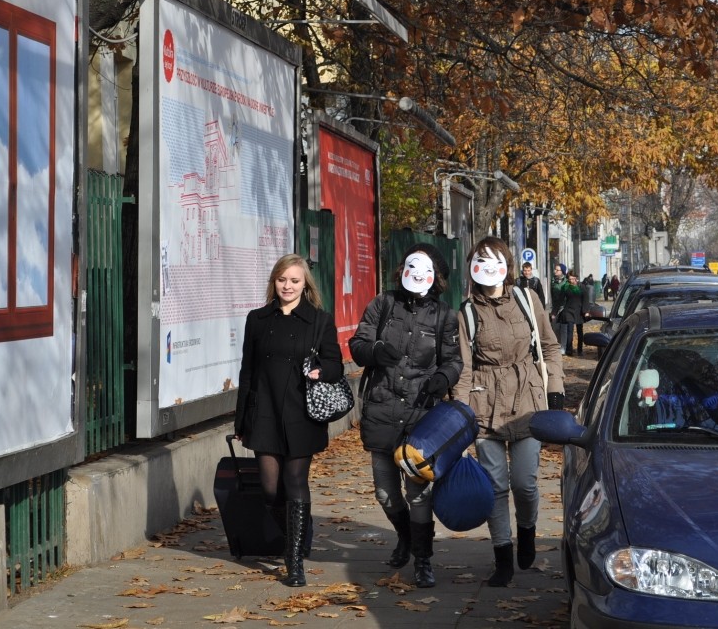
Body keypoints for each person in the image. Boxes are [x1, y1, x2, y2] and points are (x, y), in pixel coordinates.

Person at [452, 237, 565, 587]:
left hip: (528, 401)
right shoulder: (467, 313)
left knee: (524, 483)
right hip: (485, 405)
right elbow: (464, 367)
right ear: (472, 268)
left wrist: (555, 387)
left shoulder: (527, 300)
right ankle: (502, 555)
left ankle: (528, 531)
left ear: (506, 264)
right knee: (496, 485)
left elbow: (549, 345)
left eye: (494, 260)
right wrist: (459, 411)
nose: (487, 268)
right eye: (480, 261)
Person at [349, 244, 463, 588]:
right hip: (382, 409)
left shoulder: (444, 315)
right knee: (385, 492)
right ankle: (406, 537)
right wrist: (376, 350)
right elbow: (357, 346)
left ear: (436, 276)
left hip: (420, 416)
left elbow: (453, 360)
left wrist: (443, 378)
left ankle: (423, 560)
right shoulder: (383, 305)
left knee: (418, 493)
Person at [233, 253, 343, 587]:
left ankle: (293, 560)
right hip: (264, 410)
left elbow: (336, 365)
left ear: (304, 284)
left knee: (295, 482)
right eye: (282, 280)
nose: (288, 286)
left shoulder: (319, 321)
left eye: (294, 280)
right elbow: (248, 371)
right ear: (274, 282)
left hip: (300, 413)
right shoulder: (257, 319)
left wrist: (320, 371)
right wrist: (241, 420)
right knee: (269, 490)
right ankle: (300, 528)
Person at [559, 270, 589, 356]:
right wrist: (554, 312)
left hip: (579, 311)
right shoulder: (565, 287)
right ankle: (569, 350)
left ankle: (580, 349)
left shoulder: (582, 287)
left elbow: (585, 300)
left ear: (576, 278)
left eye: (573, 279)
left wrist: (586, 311)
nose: (571, 281)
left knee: (580, 331)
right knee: (570, 330)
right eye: (570, 279)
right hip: (569, 311)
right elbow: (560, 300)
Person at [549, 263, 568, 352]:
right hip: (555, 307)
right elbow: (552, 296)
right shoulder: (553, 281)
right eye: (555, 269)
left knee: (563, 328)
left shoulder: (566, 282)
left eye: (557, 270)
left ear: (562, 272)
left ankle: (563, 346)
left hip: (564, 307)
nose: (555, 271)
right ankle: (558, 344)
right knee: (555, 327)